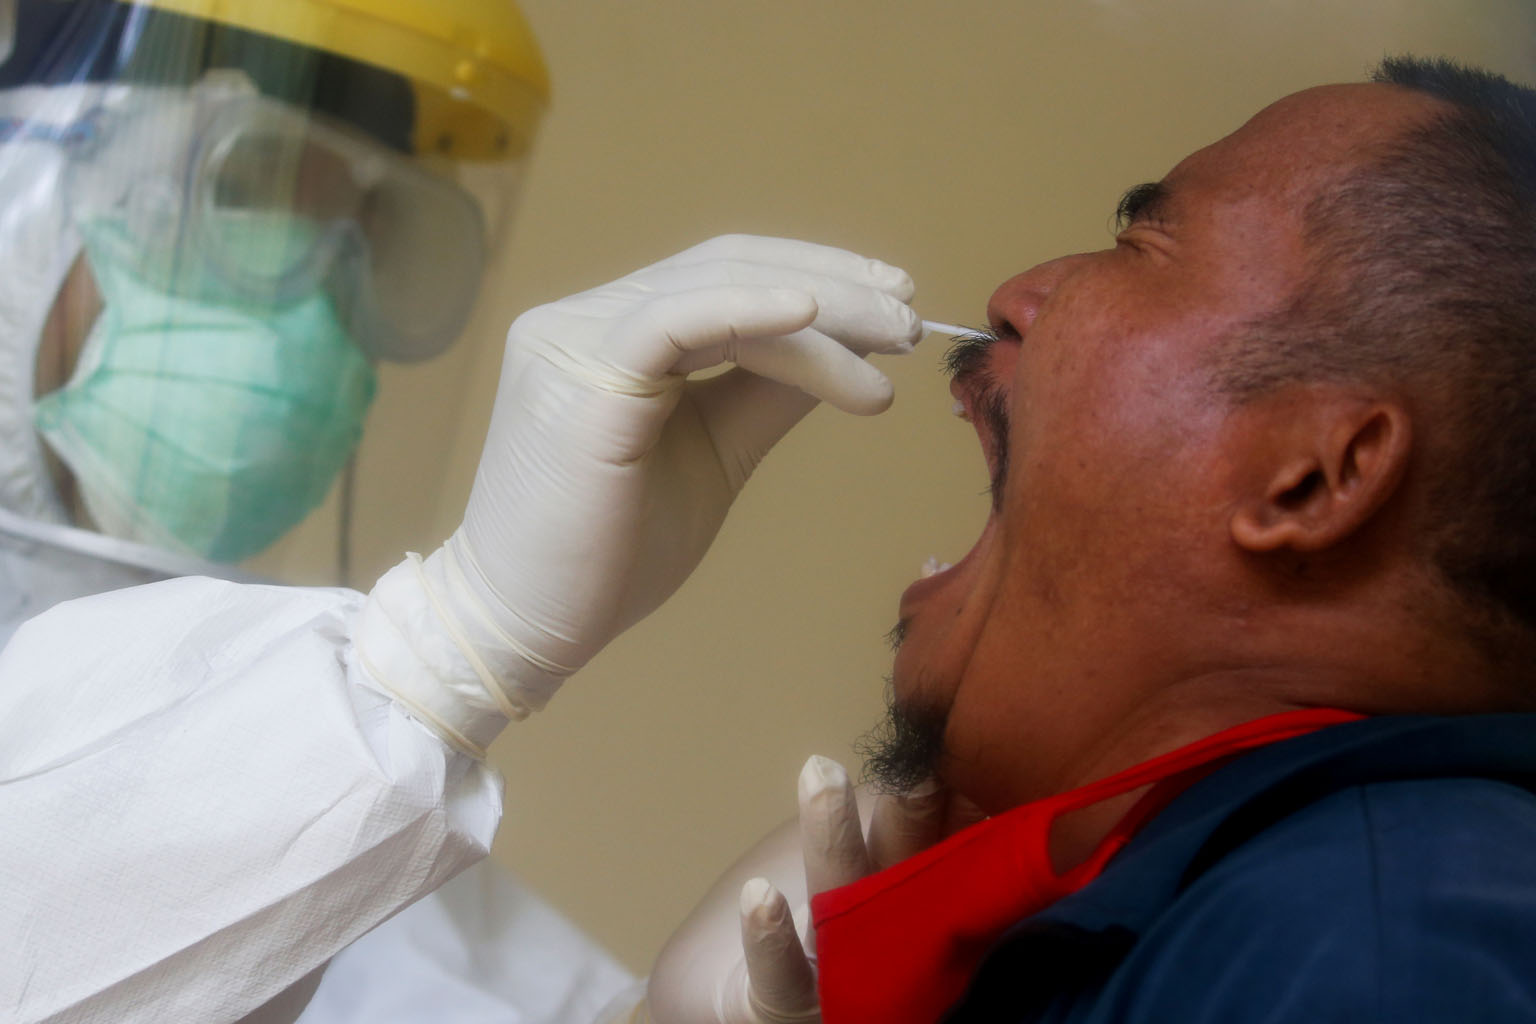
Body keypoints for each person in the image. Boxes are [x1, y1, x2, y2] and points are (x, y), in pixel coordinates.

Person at [0, 2, 921, 1021]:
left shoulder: (339, 837)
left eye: (368, 238)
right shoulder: (347, 762)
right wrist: (442, 652)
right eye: (247, 195)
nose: (315, 325)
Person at [629, 56, 1536, 1023]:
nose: (1018, 295)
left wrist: (469, 657)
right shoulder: (1290, 918)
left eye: (1143, 239)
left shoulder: (1376, 960)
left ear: (1311, 477)